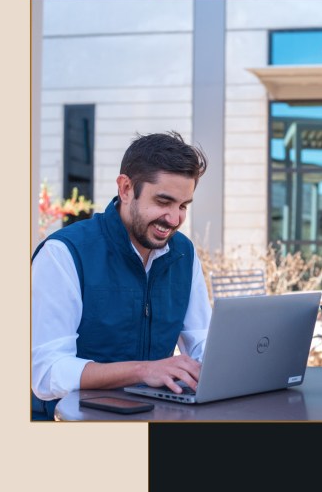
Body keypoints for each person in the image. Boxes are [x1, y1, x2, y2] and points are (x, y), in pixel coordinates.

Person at [31, 131, 212, 420]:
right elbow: (46, 372)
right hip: (71, 422)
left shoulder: (183, 255)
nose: (174, 219)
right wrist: (143, 370)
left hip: (153, 417)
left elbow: (203, 345)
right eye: (163, 202)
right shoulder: (64, 254)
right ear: (126, 188)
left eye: (183, 206)